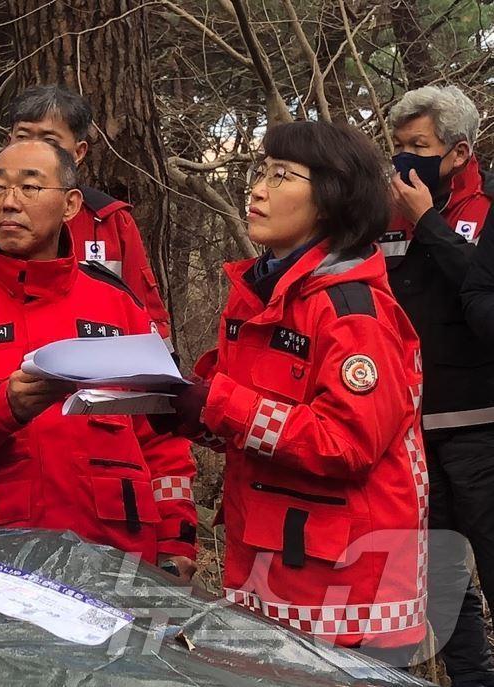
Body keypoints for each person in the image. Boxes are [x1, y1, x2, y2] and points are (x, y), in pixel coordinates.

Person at [163, 122, 426, 664]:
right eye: (261, 172)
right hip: (269, 556)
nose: (257, 189)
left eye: (281, 176)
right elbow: (258, 421)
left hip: (346, 579)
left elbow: (344, 444)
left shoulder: (354, 314)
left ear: (332, 199)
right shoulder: (258, 296)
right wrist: (188, 409)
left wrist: (218, 404)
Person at [0, 138, 198, 575]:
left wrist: (177, 542)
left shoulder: (118, 304)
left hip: (117, 554)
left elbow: (163, 436)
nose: (9, 203)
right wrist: (5, 406)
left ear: (70, 204)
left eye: (30, 188)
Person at [0, 85, 175, 350]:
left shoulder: (110, 221)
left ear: (78, 153)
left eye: (49, 141)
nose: (33, 149)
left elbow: (148, 325)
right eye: (22, 137)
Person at [385, 85, 494, 686]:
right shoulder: (386, 210)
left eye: (418, 146)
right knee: (444, 580)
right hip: (412, 430)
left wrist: (428, 222)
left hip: (482, 425)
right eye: (398, 146)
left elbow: (479, 294)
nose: (405, 158)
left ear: (456, 152)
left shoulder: (488, 206)